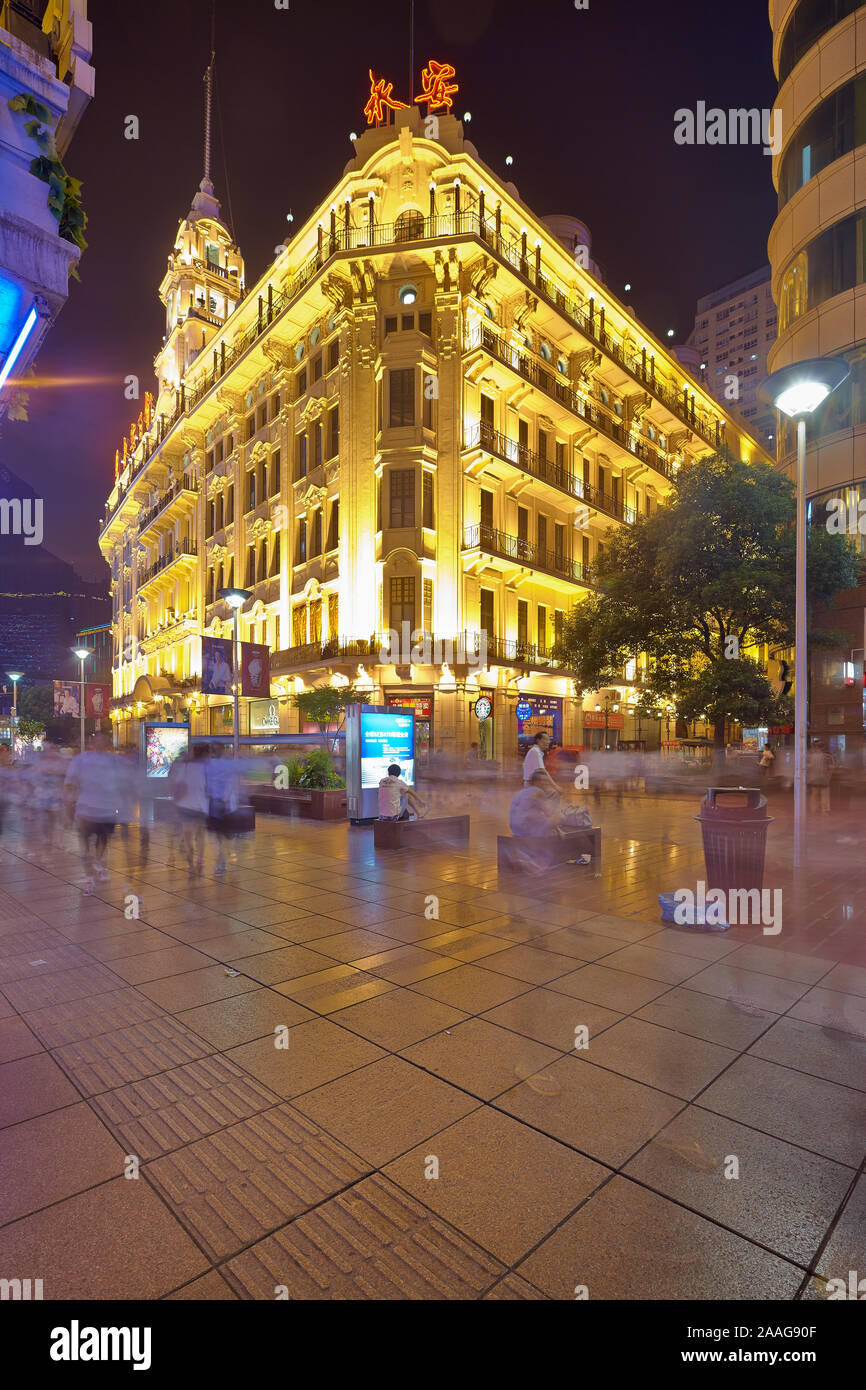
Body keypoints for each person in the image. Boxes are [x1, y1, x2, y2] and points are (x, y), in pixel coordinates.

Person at [63, 733, 124, 892]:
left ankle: (98, 861)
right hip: (86, 810)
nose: (100, 743)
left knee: (103, 842)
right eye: (97, 740)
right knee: (84, 847)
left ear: (108, 743)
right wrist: (68, 806)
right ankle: (89, 879)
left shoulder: (114, 761)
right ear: (92, 743)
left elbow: (122, 783)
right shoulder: (81, 760)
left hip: (107, 810)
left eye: (103, 741)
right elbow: (69, 783)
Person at [508, 771, 592, 868]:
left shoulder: (523, 792)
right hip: (528, 830)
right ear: (534, 782)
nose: (544, 784)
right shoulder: (538, 792)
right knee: (560, 816)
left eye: (545, 781)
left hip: (515, 829)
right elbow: (549, 812)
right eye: (541, 781)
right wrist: (558, 829)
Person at [170, 744, 210, 873]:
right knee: (200, 835)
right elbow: (209, 788)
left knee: (187, 836)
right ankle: (200, 860)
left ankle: (191, 863)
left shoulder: (185, 767)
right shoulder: (206, 769)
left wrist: (175, 803)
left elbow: (177, 785)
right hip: (201, 806)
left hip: (185, 806)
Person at [807, 740, 831, 814]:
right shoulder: (826, 756)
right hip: (823, 779)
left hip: (814, 779)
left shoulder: (811, 756)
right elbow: (829, 768)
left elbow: (808, 767)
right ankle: (824, 811)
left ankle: (813, 810)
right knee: (824, 796)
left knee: (814, 795)